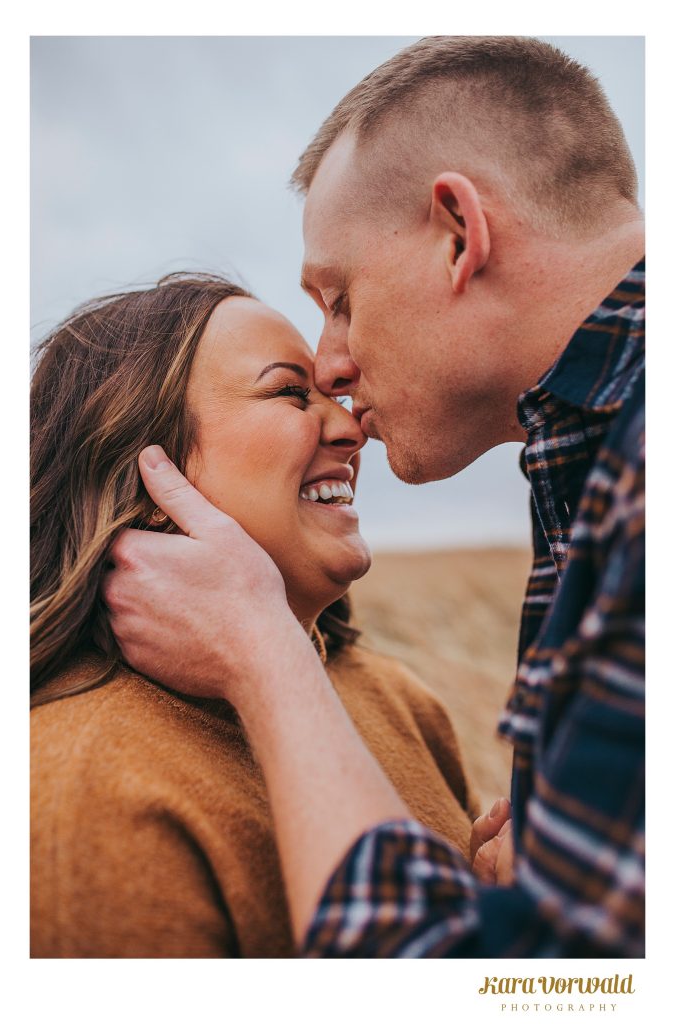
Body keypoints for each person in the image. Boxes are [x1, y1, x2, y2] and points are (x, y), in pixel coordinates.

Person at [103, 36, 645, 957]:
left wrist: (261, 653)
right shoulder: (595, 458)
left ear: (458, 235)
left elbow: (487, 987)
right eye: (288, 383)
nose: (332, 365)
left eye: (340, 297)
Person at [30, 273, 482, 958]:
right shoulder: (72, 791)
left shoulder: (396, 698)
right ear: (149, 469)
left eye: (330, 394)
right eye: (288, 393)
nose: (349, 425)